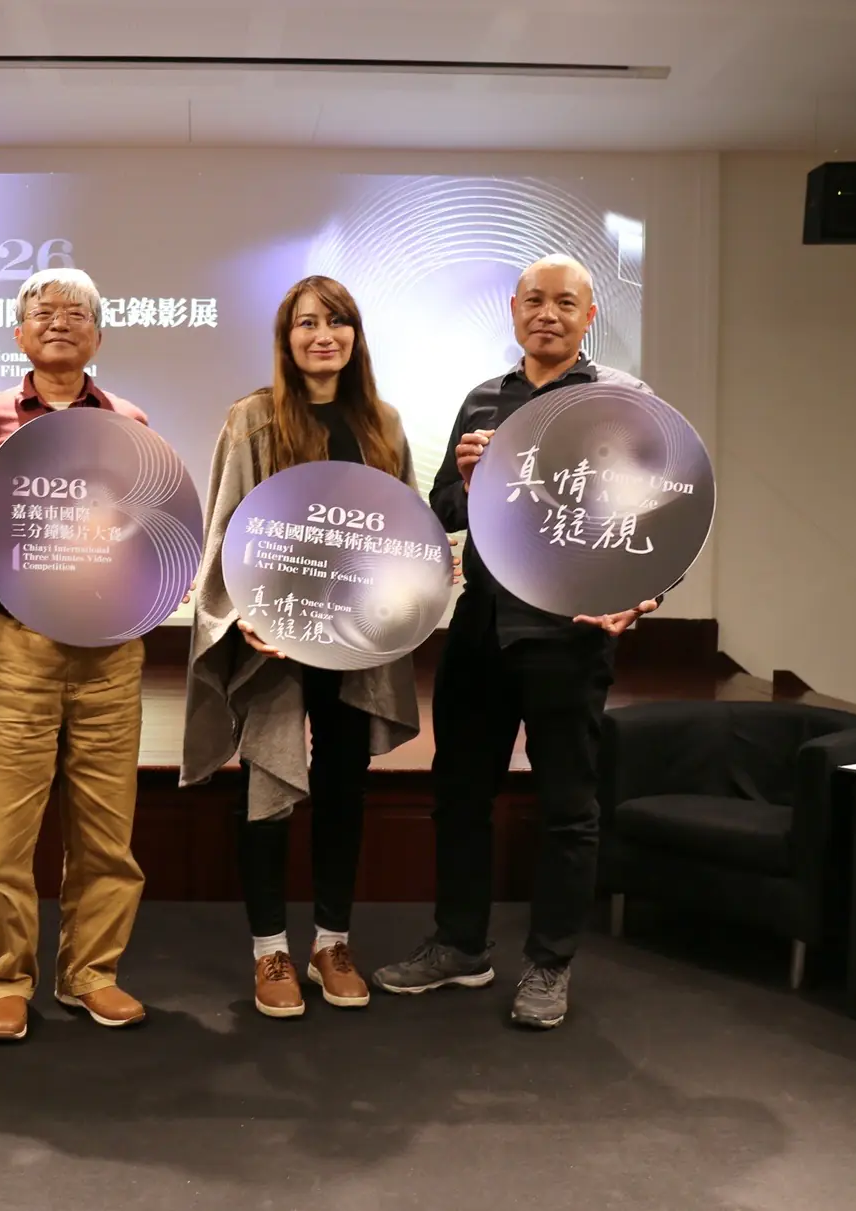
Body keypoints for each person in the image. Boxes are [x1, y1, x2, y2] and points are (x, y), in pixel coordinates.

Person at [372, 254, 662, 1030]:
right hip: (481, 624)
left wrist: (645, 593)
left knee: (566, 805)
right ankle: (459, 944)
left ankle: (549, 962)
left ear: (588, 315)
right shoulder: (483, 398)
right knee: (459, 794)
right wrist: (466, 482)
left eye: (564, 302)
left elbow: (662, 512)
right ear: (512, 309)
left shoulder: (620, 400)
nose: (547, 313)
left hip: (569, 630)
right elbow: (441, 507)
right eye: (534, 300)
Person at [184, 275, 422, 1019]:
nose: (324, 335)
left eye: (338, 321)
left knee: (345, 784)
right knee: (268, 782)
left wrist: (421, 577)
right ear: (286, 339)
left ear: (355, 335)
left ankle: (330, 942)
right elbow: (228, 525)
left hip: (354, 640)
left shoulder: (382, 422)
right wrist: (243, 614)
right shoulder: (254, 418)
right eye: (307, 323)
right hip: (276, 639)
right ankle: (269, 948)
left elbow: (401, 527)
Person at [0, 268, 151, 1043]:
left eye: (77, 313)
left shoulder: (129, 422)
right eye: (44, 311)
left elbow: (150, 527)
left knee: (107, 830)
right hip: (16, 643)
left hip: (110, 649)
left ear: (98, 335)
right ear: (19, 333)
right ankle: (3, 980)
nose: (60, 321)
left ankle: (91, 972)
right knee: (4, 833)